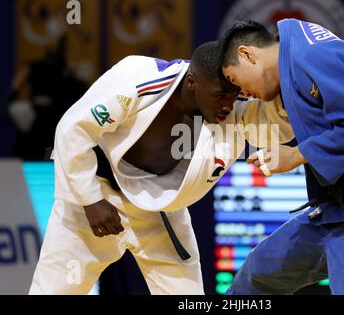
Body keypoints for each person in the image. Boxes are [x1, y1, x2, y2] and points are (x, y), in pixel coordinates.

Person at [29, 41, 294, 294]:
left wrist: (291, 84)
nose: (228, 103)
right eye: (220, 95)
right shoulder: (139, 78)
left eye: (234, 95)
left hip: (160, 209)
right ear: (192, 82)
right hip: (98, 194)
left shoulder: (230, 109)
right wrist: (89, 200)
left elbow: (275, 124)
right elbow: (72, 130)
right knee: (54, 289)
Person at [218, 19, 344, 295]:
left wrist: (297, 154)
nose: (241, 93)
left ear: (247, 54)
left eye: (234, 80)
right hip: (332, 211)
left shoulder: (311, 53)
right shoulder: (297, 58)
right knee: (255, 277)